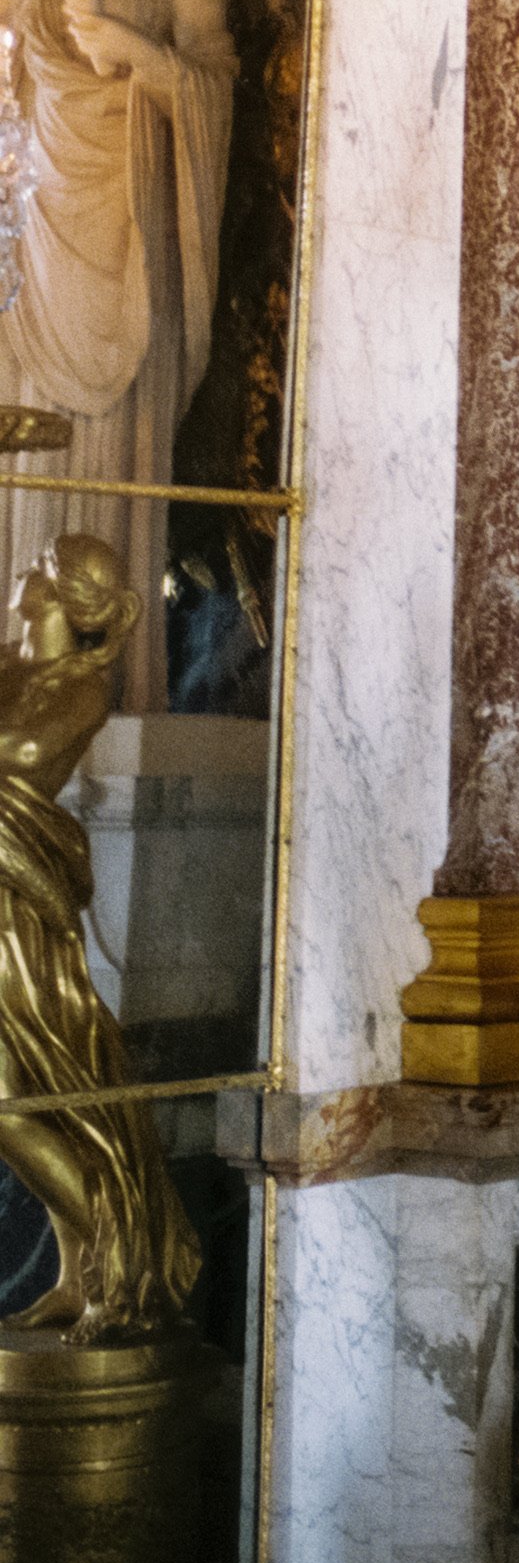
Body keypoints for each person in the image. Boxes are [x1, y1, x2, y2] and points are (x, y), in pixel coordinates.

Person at [0, 0, 236, 712]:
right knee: (38, 450)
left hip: (134, 235)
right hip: (50, 236)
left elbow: (214, 90)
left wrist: (128, 48)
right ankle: (24, 660)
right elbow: (23, 93)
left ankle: (106, 678)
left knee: (114, 449)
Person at [0, 533, 201, 1335]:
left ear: (61, 596)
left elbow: (18, 752)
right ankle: (77, 1274)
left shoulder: (82, 688)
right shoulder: (9, 667)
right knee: (28, 1094)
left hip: (15, 904)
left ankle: (122, 1264)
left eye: (35, 569)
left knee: (17, 1101)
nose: (18, 576)